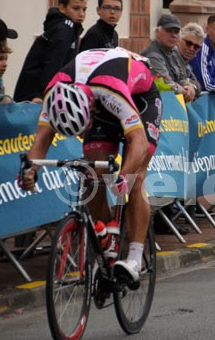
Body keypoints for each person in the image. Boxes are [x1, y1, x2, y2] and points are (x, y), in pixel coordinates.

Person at [19, 47, 162, 284]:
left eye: (83, 128)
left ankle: (135, 258)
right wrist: (31, 170)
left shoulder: (110, 89)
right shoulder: (54, 94)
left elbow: (138, 141)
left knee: (135, 179)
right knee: (93, 173)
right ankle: (107, 238)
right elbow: (41, 140)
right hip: (93, 97)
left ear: (89, 111)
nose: (84, 133)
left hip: (138, 98)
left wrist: (124, 176)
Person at [14, 0, 88, 102]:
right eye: (76, 8)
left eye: (84, 9)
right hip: (36, 96)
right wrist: (43, 95)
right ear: (62, 8)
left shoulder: (68, 28)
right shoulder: (64, 29)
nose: (81, 14)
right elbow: (53, 64)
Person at [142, 14, 198, 102]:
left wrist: (189, 86)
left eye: (176, 32)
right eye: (169, 31)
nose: (173, 35)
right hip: (155, 103)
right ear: (157, 32)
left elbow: (182, 77)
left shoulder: (174, 51)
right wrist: (184, 92)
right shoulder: (153, 54)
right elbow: (165, 83)